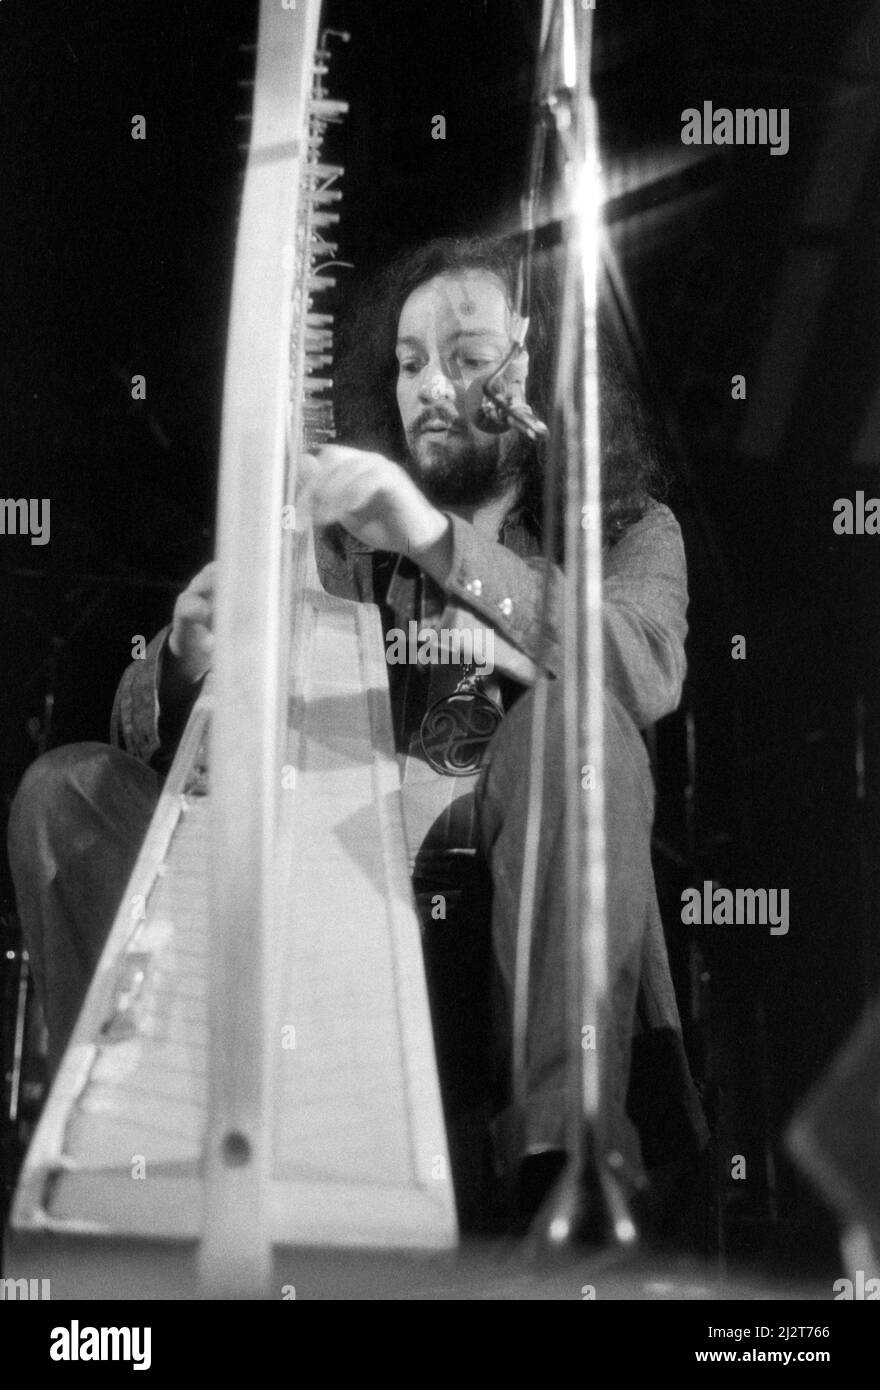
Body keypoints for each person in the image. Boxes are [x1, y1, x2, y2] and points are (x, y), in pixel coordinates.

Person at [8, 236, 707, 1234]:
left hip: (515, 949)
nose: (430, 384)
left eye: (465, 357)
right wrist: (186, 653)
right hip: (332, 921)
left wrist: (433, 536)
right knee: (65, 792)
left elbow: (639, 670)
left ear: (535, 370)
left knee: (577, 718)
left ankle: (562, 1165)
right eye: (411, 361)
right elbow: (157, 724)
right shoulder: (339, 548)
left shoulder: (631, 532)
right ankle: (134, 1157)